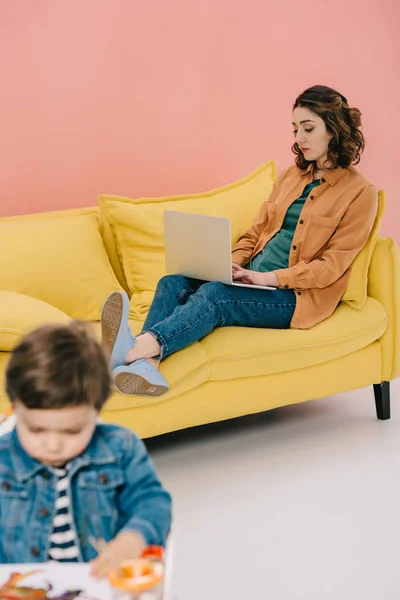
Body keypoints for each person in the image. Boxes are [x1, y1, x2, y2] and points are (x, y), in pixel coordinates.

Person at [101, 84, 378, 397]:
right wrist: (231, 261)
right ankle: (148, 366)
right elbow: (256, 231)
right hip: (250, 279)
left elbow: (331, 266)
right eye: (295, 129)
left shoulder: (360, 193)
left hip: (295, 297)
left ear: (333, 128)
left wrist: (266, 278)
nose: (298, 139)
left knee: (217, 296)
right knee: (171, 282)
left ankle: (129, 351)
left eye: (308, 128)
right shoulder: (290, 177)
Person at [0, 322, 172, 577]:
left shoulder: (120, 448)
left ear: (96, 409)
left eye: (72, 431)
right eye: (36, 430)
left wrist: (134, 537)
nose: (53, 444)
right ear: (15, 408)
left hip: (99, 582)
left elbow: (152, 501)